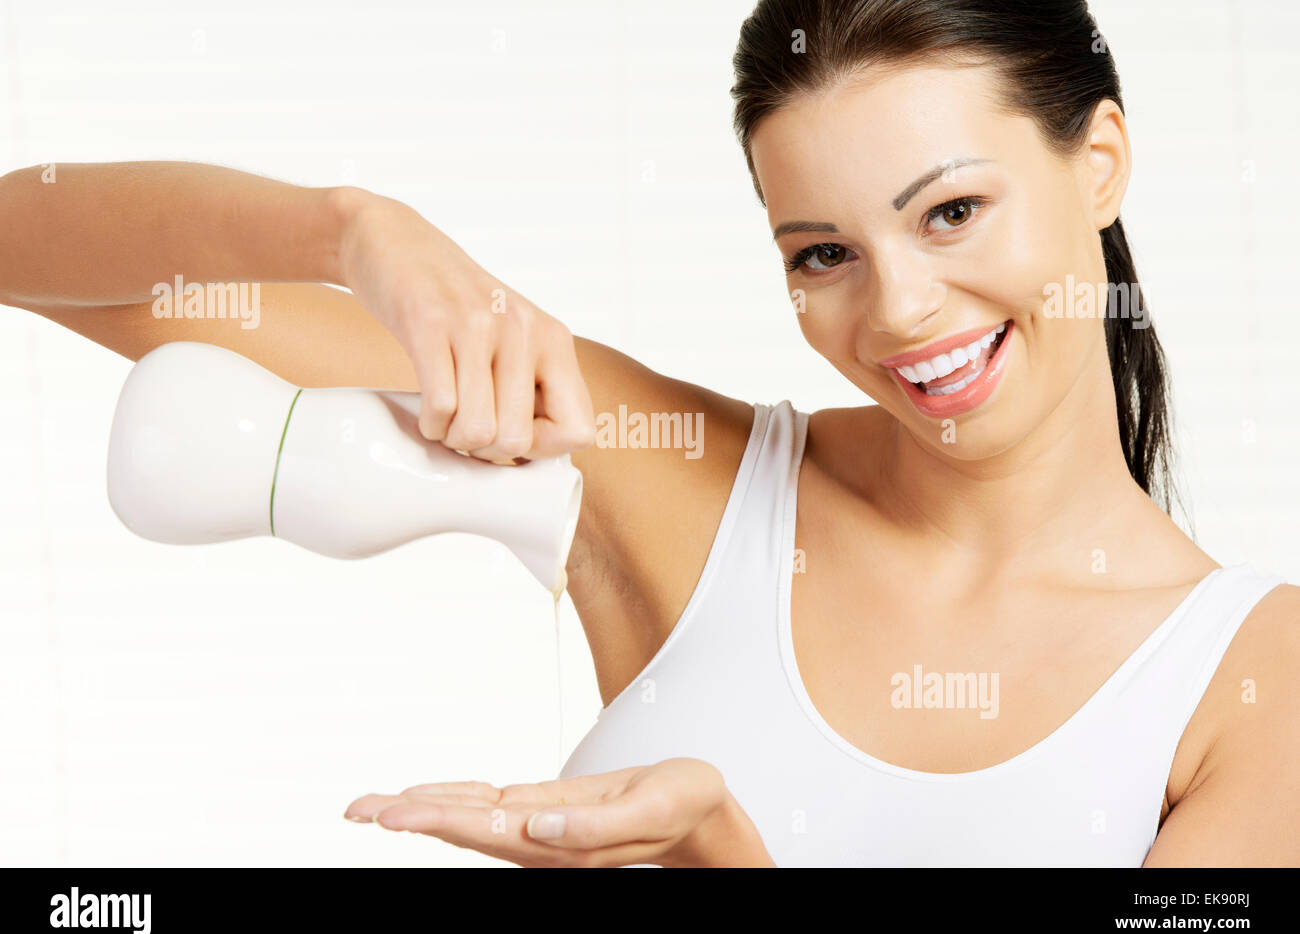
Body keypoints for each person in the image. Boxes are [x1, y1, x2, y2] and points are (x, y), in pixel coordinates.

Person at [1, 0, 1295, 867]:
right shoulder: (682, 480)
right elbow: (28, 244)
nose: (899, 310)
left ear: (1102, 159)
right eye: (826, 251)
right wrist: (351, 229)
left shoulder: (1256, 687)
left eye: (952, 212)